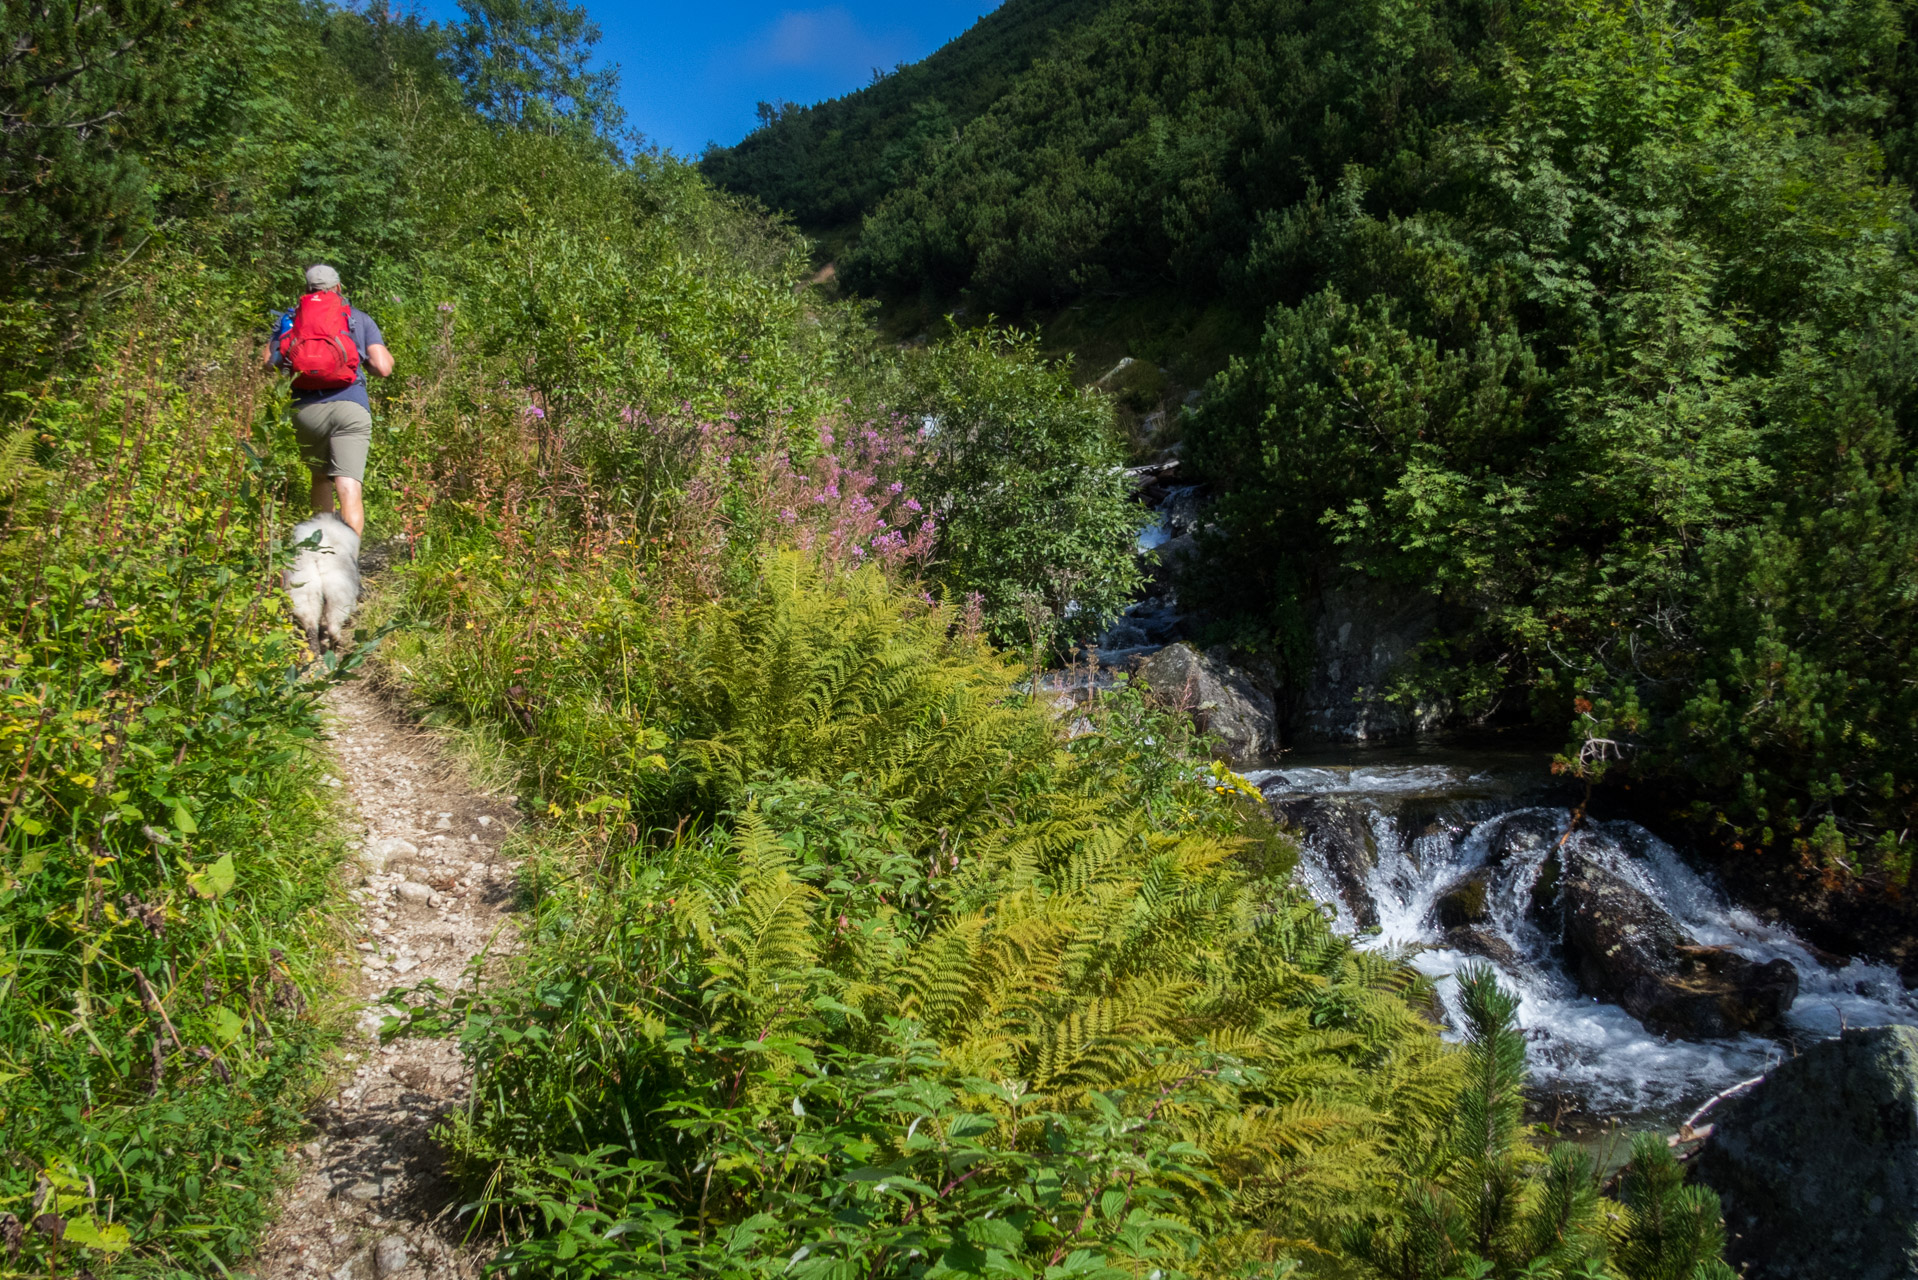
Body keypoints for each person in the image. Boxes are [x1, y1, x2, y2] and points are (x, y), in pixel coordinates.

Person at [262, 264, 394, 536]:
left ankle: (323, 555)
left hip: (306, 410)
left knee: (320, 478)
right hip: (350, 407)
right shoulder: (357, 318)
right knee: (348, 485)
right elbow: (383, 367)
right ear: (339, 288)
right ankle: (348, 567)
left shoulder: (291, 319)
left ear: (306, 290)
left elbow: (267, 362)